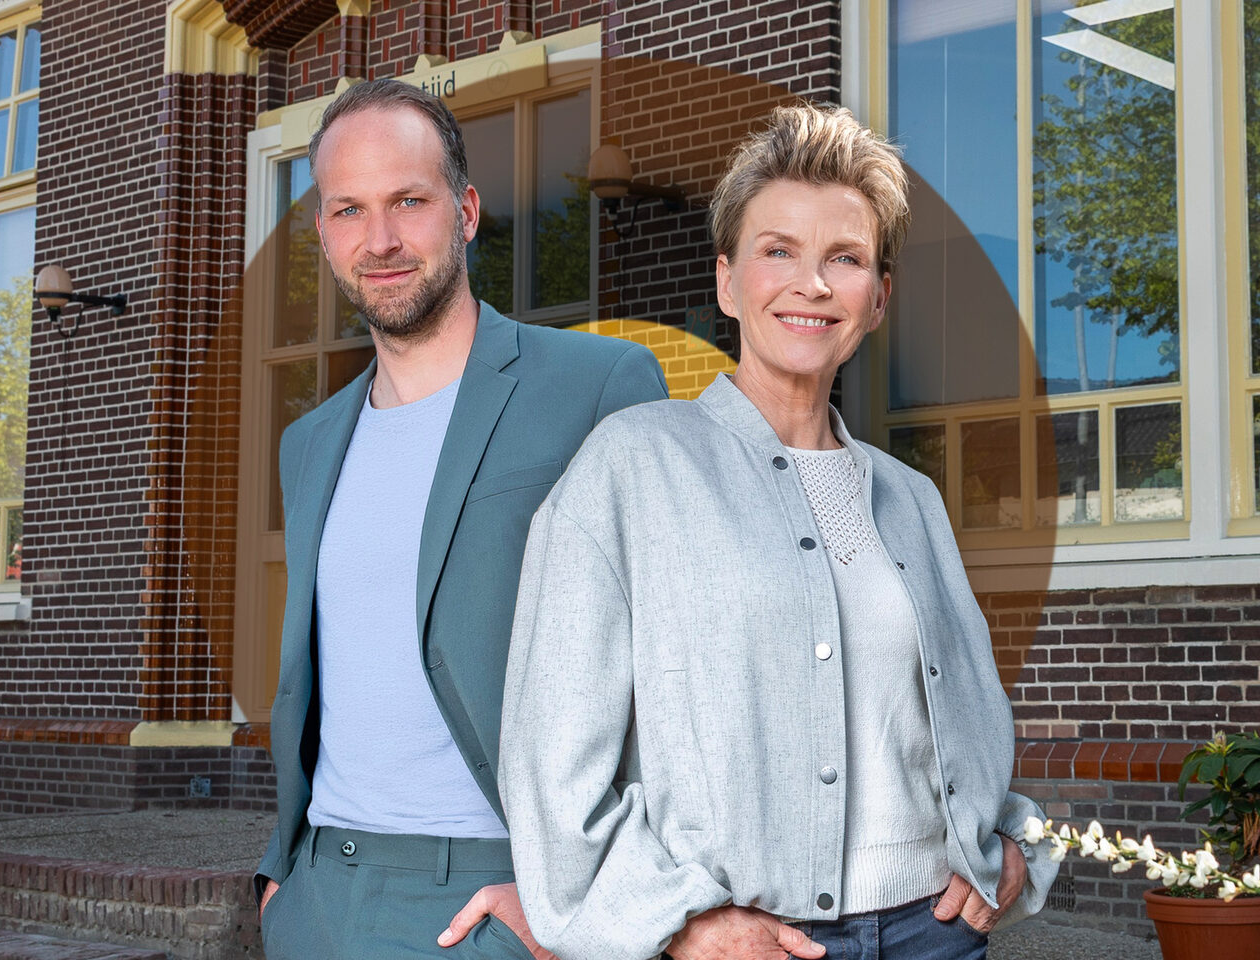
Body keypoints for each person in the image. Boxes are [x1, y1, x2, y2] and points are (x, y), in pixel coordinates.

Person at [499, 103, 1058, 960]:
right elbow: (550, 760)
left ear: (878, 298)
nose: (814, 284)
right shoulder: (632, 467)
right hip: (749, 940)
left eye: (846, 258)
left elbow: (961, 716)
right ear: (728, 283)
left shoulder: (911, 499)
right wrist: (676, 922)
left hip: (937, 932)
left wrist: (1010, 841)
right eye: (778, 251)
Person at [254, 78, 668, 960]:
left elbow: (675, 667)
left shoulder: (599, 386)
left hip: (491, 899)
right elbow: (320, 680)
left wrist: (588, 893)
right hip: (319, 896)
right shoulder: (308, 443)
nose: (381, 239)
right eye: (349, 210)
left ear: (467, 211)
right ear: (324, 233)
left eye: (409, 201)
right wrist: (281, 875)